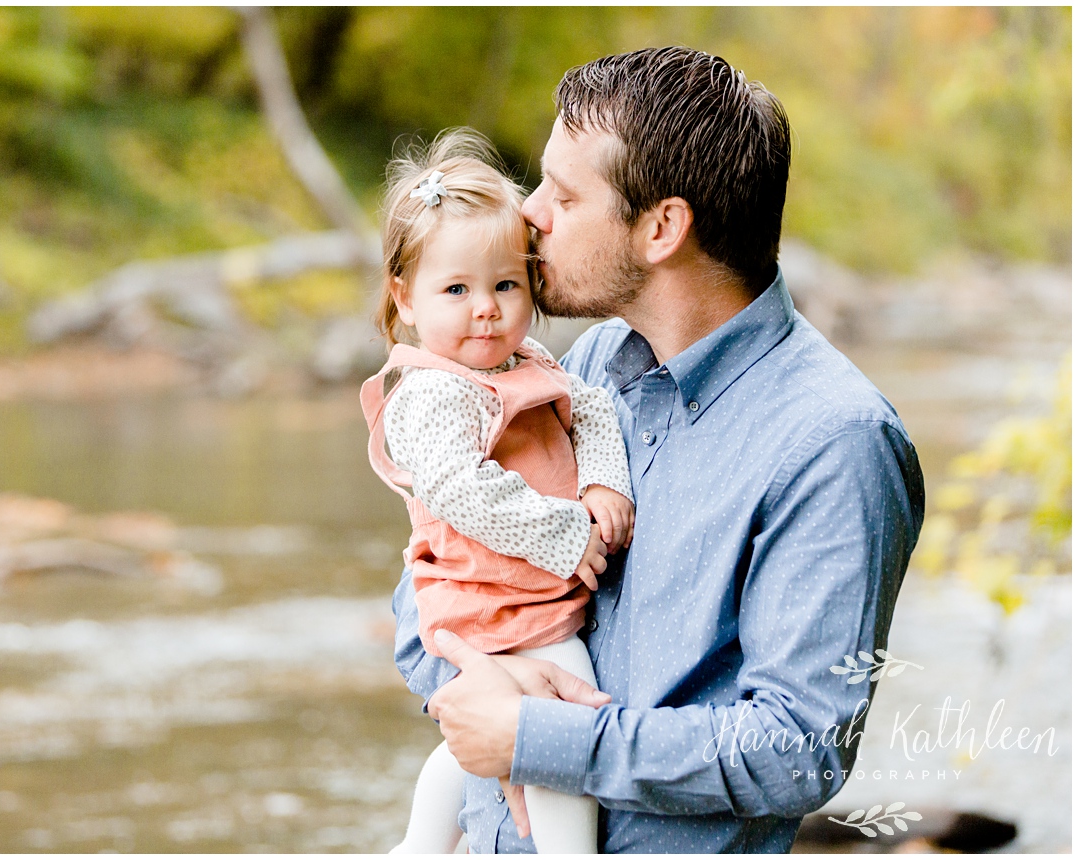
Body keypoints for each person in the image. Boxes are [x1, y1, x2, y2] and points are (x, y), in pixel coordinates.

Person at [392, 47, 925, 853]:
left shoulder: (836, 444)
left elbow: (797, 752)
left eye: (564, 196)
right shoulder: (584, 367)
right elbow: (428, 580)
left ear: (662, 228)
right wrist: (483, 681)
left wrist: (540, 736)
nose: (528, 215)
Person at [362, 129, 632, 855]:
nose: (486, 309)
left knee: (485, 727)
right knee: (556, 714)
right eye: (456, 290)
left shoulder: (527, 359)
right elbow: (460, 490)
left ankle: (420, 846)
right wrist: (567, 532)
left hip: (520, 594)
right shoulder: (430, 395)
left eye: (504, 285)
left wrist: (605, 478)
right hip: (497, 603)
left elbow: (594, 409)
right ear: (405, 298)